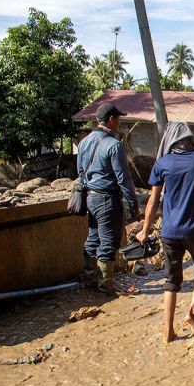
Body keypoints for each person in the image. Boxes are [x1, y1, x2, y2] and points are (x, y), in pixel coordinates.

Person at [137, 122, 194, 343]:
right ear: (191, 140)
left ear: (170, 141)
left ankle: (167, 332)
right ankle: (191, 311)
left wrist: (144, 230)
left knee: (171, 281)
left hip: (169, 230)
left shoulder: (162, 163)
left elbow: (153, 200)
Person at [77, 101, 140, 295]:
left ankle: (89, 279)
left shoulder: (84, 142)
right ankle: (106, 284)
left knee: (93, 238)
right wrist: (132, 202)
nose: (119, 123)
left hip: (90, 197)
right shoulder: (114, 145)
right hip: (107, 199)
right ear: (111, 120)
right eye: (118, 119)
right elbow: (124, 177)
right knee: (108, 241)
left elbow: (80, 171)